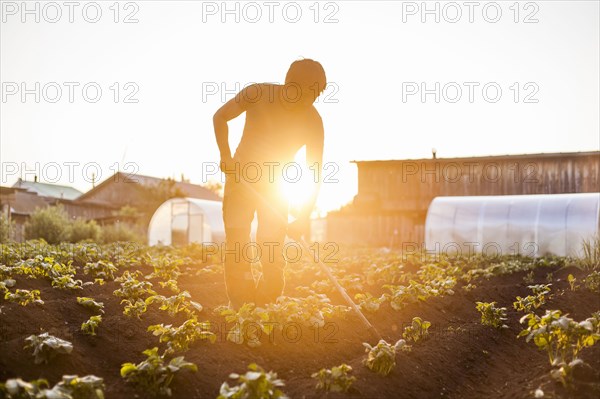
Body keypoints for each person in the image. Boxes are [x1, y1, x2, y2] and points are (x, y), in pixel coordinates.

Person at [212, 59, 326, 309]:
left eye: (318, 95)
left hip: (275, 189)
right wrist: (225, 156)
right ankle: (240, 305)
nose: (314, 100)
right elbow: (220, 117)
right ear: (293, 86)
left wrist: (304, 216)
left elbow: (314, 171)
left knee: (272, 249)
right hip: (240, 180)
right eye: (312, 93)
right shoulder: (257, 93)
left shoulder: (313, 121)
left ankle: (264, 305)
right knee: (238, 241)